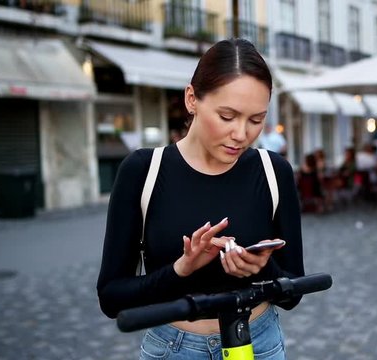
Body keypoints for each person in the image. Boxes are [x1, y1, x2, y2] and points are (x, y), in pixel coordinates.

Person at [96, 38, 304, 360]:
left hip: (259, 342)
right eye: (227, 116)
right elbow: (111, 298)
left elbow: (293, 292)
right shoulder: (143, 170)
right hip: (174, 348)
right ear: (192, 99)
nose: (241, 134)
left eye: (255, 120)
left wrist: (261, 268)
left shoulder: (274, 171)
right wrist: (180, 269)